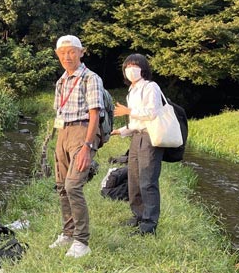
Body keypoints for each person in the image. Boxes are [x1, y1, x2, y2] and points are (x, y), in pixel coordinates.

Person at [49, 35, 104, 258]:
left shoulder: (90, 78)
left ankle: (82, 241)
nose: (67, 57)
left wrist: (87, 146)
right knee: (61, 185)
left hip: (82, 132)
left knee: (73, 185)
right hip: (63, 132)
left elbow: (95, 115)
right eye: (62, 53)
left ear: (82, 52)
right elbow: (58, 111)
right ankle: (68, 233)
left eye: (71, 52)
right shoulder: (61, 81)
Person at [112, 53, 164, 234]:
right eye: (127, 66)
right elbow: (135, 123)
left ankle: (149, 225)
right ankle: (138, 216)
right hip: (137, 137)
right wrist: (121, 131)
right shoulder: (131, 91)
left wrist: (129, 110)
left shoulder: (151, 87)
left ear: (143, 69)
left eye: (135, 66)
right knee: (133, 179)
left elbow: (152, 112)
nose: (130, 70)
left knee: (148, 181)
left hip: (150, 138)